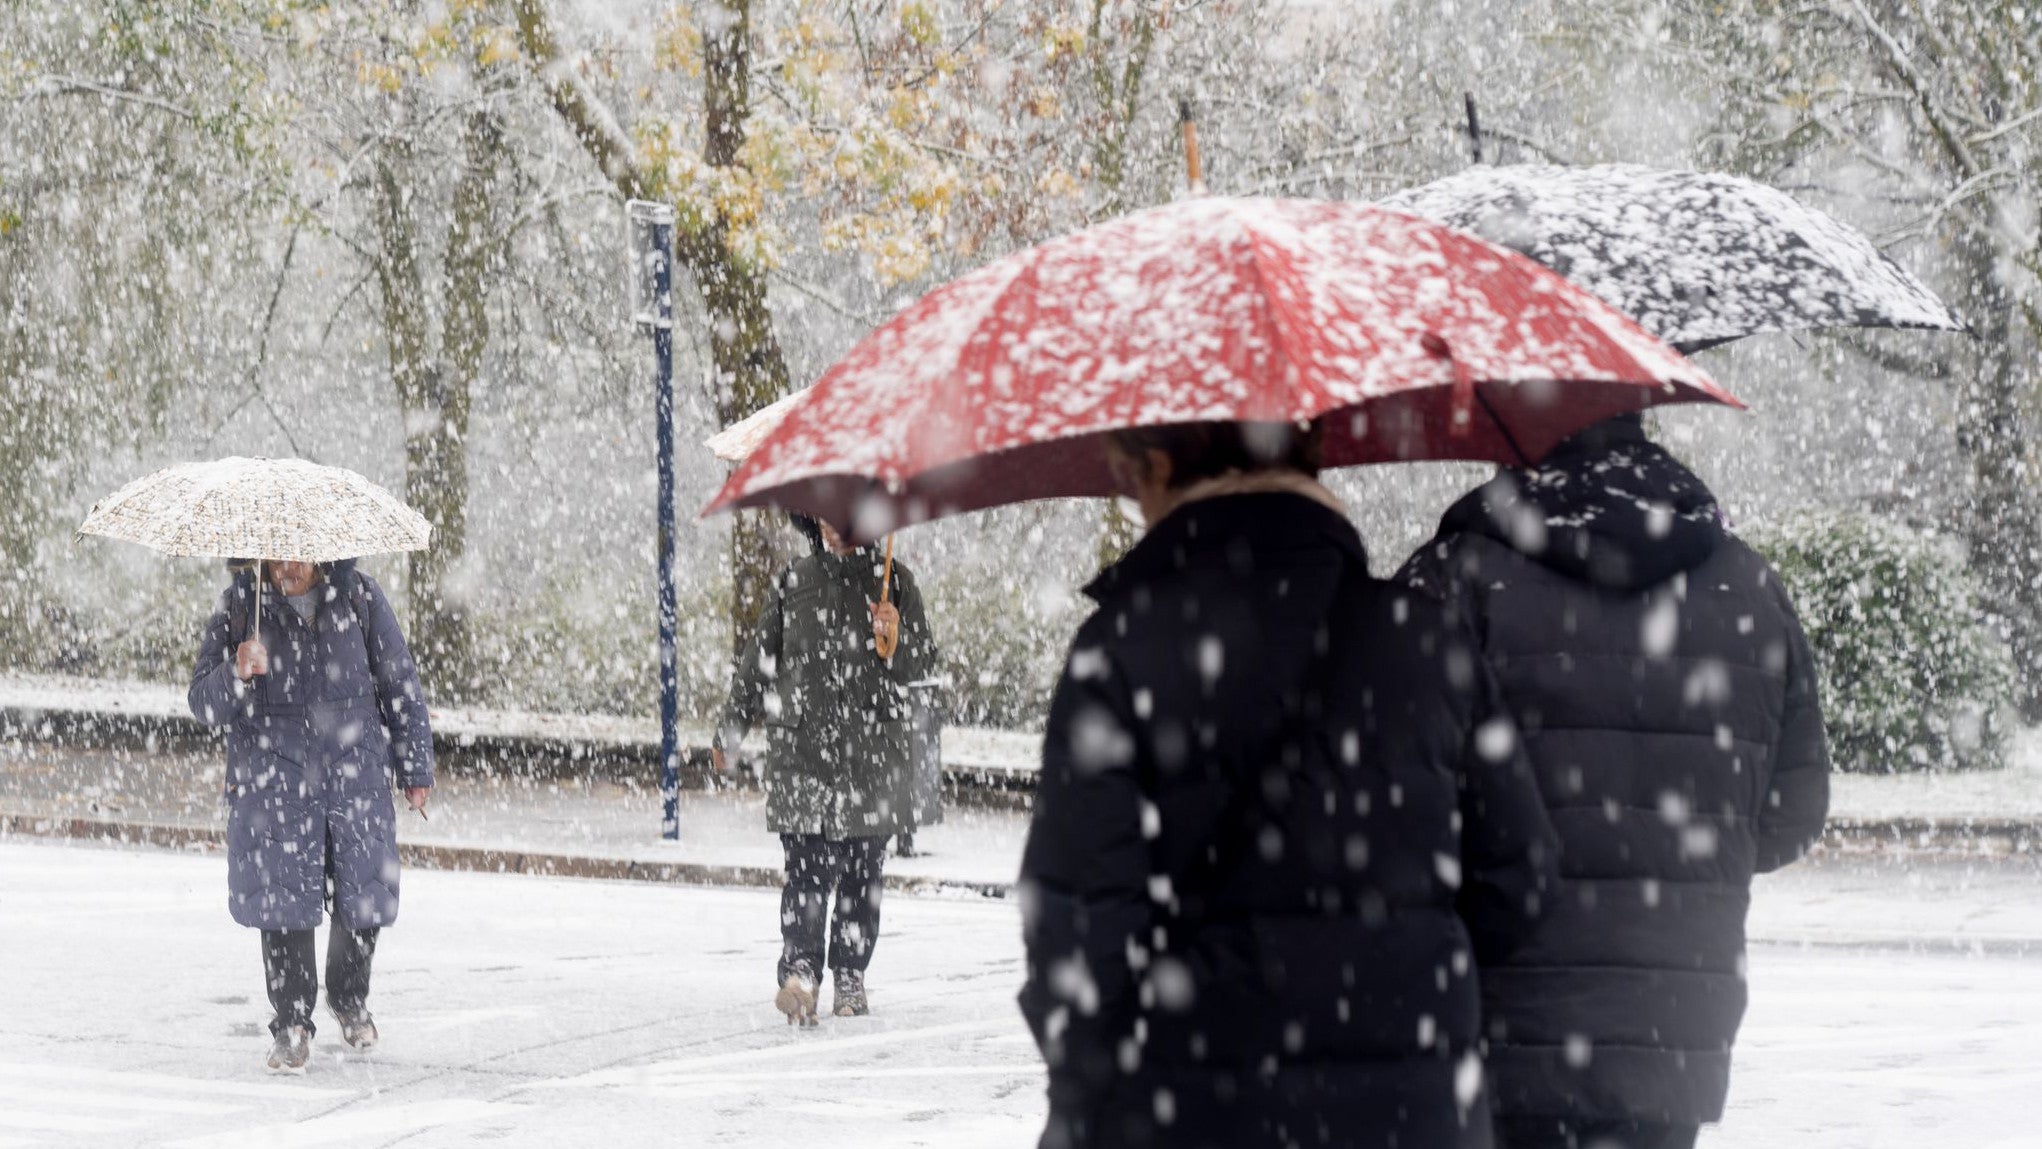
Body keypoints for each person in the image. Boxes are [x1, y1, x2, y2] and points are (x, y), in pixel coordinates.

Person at [1018, 421, 1560, 1149]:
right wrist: (1405, 980)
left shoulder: (1120, 652)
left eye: (1129, 468)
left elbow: (1079, 936)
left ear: (1159, 465)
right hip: (1414, 1116)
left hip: (1192, 1113)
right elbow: (1519, 875)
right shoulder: (1425, 640)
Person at [1399, 412, 1831, 1149]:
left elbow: (1404, 802)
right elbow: (1794, 812)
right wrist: (1684, 856)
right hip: (1675, 1027)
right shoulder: (1748, 586)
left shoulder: (1458, 577)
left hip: (1505, 1026)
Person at [187, 557, 433, 1075]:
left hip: (354, 778)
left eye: (299, 556)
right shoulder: (241, 606)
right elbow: (203, 703)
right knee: (284, 907)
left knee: (362, 899)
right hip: (276, 785)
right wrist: (236, 671)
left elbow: (400, 684)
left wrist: (415, 768)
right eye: (278, 556)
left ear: (323, 556)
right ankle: (292, 1022)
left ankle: (348, 997)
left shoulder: (360, 599)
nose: (288, 567)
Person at [713, 514, 936, 1026]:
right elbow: (759, 661)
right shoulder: (794, 581)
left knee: (862, 872)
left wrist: (895, 637)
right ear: (812, 518)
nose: (836, 525)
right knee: (806, 872)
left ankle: (850, 973)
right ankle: (801, 972)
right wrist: (730, 730)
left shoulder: (894, 582)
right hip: (803, 756)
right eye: (826, 514)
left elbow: (923, 669)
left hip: (871, 758)